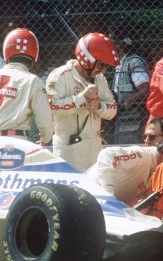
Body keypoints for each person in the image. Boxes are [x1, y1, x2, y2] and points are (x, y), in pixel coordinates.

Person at [46, 32, 119, 171]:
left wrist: (99, 106)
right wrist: (82, 98)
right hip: (68, 148)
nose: (103, 70)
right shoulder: (59, 76)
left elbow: (113, 109)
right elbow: (53, 107)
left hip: (94, 146)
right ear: (88, 59)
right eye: (101, 65)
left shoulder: (100, 79)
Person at [112, 36, 151, 144]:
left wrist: (126, 102)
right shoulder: (119, 65)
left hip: (135, 121)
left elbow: (145, 89)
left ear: (119, 46)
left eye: (111, 42)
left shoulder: (134, 63)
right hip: (121, 122)